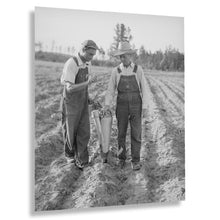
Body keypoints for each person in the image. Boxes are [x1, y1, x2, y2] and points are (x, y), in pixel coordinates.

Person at [104, 41, 149, 171]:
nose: (123, 58)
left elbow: (144, 89)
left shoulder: (138, 70)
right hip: (122, 104)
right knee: (121, 133)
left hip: (136, 104)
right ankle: (121, 158)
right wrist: (107, 104)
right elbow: (110, 90)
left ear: (130, 55)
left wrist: (145, 107)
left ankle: (135, 160)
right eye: (121, 56)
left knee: (136, 133)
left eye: (125, 55)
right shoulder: (116, 71)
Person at [60, 40, 99, 169]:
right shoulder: (71, 63)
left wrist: (89, 98)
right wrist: (87, 83)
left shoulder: (88, 64)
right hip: (71, 103)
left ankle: (82, 160)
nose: (91, 57)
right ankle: (70, 156)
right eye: (89, 54)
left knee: (84, 131)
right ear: (82, 50)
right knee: (71, 132)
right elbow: (69, 88)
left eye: (93, 55)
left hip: (82, 102)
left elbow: (83, 87)